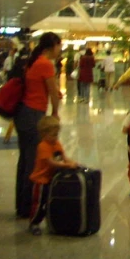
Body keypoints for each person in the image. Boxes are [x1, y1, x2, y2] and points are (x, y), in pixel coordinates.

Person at [15, 32, 62, 219]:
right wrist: (55, 114)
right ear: (52, 46)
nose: (61, 49)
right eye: (60, 45)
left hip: (24, 114)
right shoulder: (45, 64)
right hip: (34, 115)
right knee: (33, 162)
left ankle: (22, 205)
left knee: (24, 161)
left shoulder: (33, 62)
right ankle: (28, 207)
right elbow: (53, 93)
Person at [28, 116, 78, 235]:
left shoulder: (56, 143)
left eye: (57, 135)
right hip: (40, 181)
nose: (56, 138)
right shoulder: (43, 146)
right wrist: (66, 166)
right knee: (39, 203)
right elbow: (51, 162)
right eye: (53, 135)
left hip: (50, 179)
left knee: (50, 202)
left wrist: (72, 163)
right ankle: (34, 222)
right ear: (44, 134)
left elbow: (63, 157)